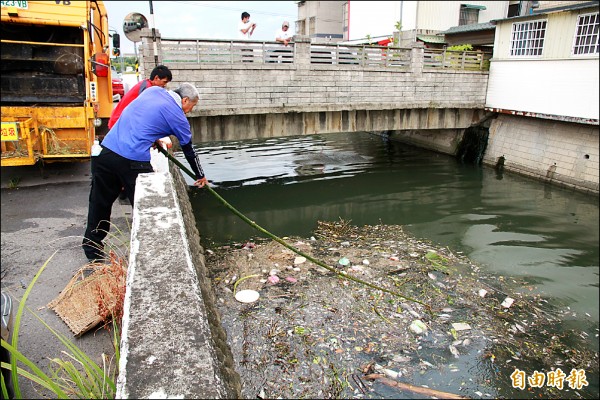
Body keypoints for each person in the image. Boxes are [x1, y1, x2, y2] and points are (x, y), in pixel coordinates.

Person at [82, 83, 207, 262]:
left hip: (106, 152)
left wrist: (153, 137)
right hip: (132, 161)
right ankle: (152, 255)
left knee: (99, 202)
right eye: (191, 106)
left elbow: (142, 117)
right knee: (147, 208)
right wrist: (200, 175)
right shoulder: (178, 116)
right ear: (185, 100)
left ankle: (92, 249)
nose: (189, 111)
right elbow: (189, 150)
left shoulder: (154, 91)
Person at [107, 65, 172, 129]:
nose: (165, 85)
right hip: (120, 124)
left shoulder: (146, 84)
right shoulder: (147, 89)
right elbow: (146, 114)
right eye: (164, 82)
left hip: (120, 121)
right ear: (156, 78)